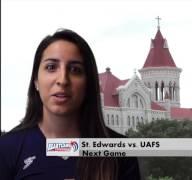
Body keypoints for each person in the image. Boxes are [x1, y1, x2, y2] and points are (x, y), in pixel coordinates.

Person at [0, 29, 141, 180]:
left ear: (88, 83)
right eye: (51, 67)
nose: (63, 80)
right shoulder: (7, 149)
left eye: (75, 70)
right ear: (36, 81)